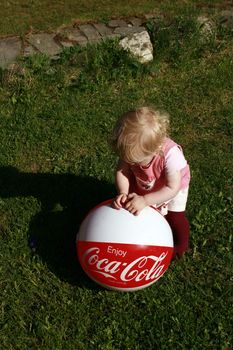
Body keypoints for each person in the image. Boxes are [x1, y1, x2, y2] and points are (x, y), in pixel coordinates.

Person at [111, 107, 190, 258]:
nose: (129, 162)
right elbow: (123, 171)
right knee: (135, 207)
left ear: (155, 149)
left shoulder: (172, 156)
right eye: (127, 159)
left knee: (175, 218)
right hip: (145, 181)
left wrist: (146, 200)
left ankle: (181, 244)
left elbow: (172, 188)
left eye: (135, 161)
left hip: (173, 186)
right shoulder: (133, 151)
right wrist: (123, 192)